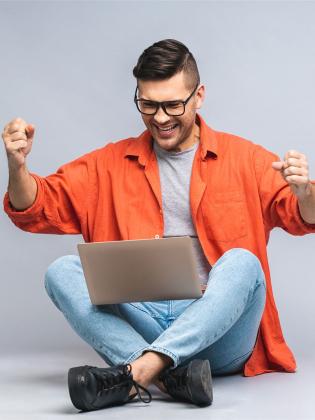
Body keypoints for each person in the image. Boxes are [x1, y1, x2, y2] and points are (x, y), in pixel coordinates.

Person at [2, 39, 315, 412]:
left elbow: (302, 217)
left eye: (173, 104)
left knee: (245, 263)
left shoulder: (245, 158)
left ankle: (135, 373)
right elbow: (36, 206)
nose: (161, 118)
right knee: (61, 272)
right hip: (142, 323)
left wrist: (306, 192)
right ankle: (168, 375)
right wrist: (17, 168)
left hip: (217, 335)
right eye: (148, 105)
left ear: (199, 96)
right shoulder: (109, 163)